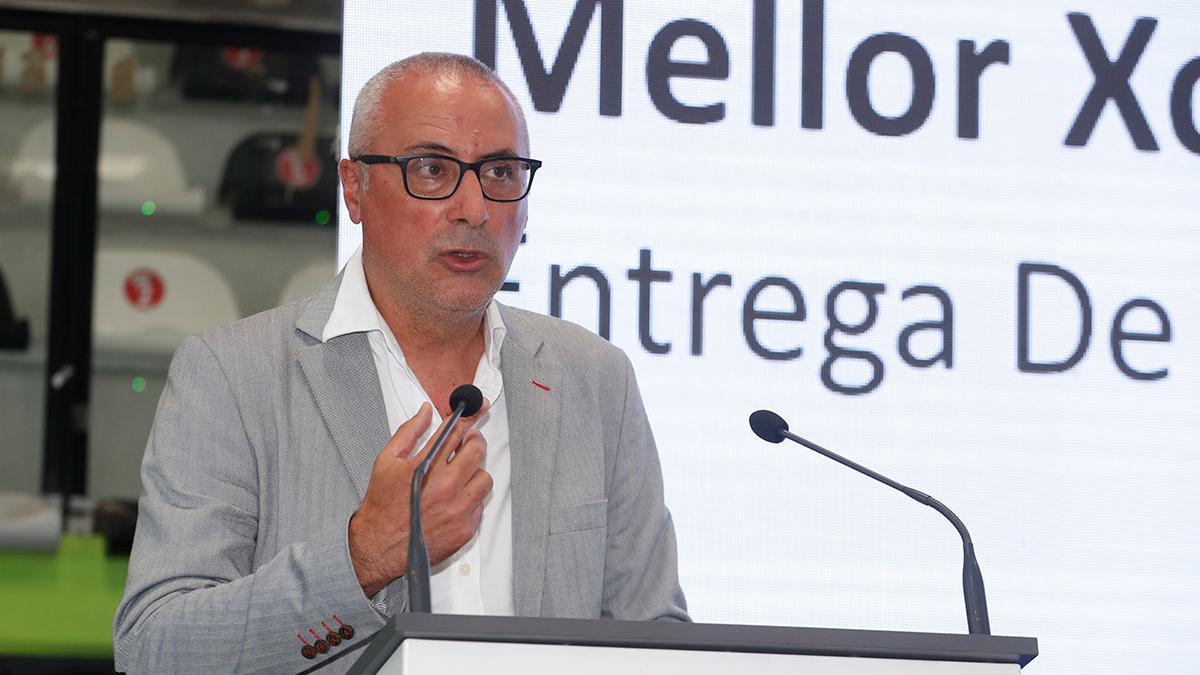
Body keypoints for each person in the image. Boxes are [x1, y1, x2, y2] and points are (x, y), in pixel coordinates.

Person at [112, 52, 688, 674]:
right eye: (433, 169)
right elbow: (155, 648)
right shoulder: (234, 375)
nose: (474, 208)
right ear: (355, 188)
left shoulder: (595, 380)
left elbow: (653, 636)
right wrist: (363, 557)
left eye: (499, 172)